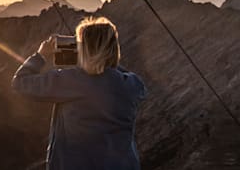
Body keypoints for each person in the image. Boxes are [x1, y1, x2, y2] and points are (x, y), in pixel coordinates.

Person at [12, 16, 147, 169]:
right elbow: (117, 75)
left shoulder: (73, 81)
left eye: (80, 45)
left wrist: (40, 56)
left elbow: (20, 82)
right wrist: (102, 60)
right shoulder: (132, 84)